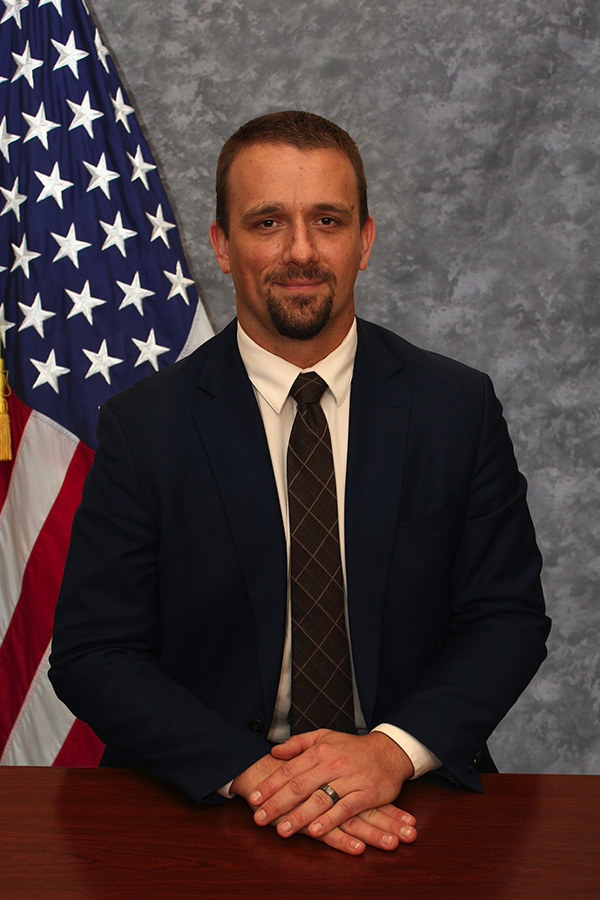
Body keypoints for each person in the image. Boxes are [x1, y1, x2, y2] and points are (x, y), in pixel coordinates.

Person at [49, 110, 551, 856]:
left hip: (412, 799)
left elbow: (507, 618)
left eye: (328, 220)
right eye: (266, 223)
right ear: (221, 245)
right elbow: (94, 652)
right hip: (206, 806)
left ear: (365, 240)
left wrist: (386, 755)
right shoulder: (145, 426)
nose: (301, 252)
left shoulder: (456, 408)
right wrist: (255, 773)